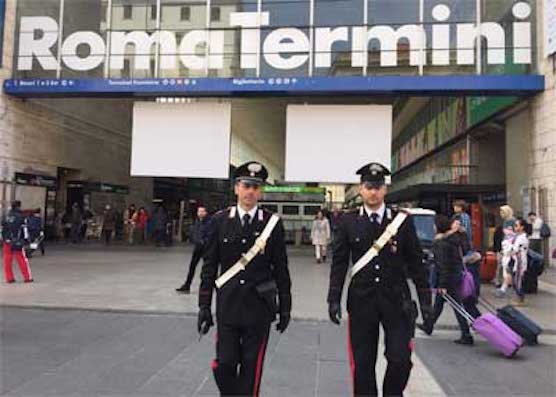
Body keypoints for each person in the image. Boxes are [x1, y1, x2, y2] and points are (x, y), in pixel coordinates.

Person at [327, 162, 432, 396]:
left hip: (397, 300)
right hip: (362, 301)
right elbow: (340, 263)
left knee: (400, 358)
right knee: (363, 363)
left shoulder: (401, 220)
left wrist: (425, 300)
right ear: (360, 190)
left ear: (385, 190)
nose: (373, 192)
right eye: (368, 187)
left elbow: (416, 261)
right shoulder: (347, 221)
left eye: (378, 187)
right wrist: (333, 298)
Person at [197, 161, 292, 396]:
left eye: (255, 187)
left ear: (261, 192)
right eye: (246, 185)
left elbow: (281, 267)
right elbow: (209, 267)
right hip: (228, 307)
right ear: (236, 188)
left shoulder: (272, 224)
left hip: (259, 308)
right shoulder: (219, 221)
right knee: (224, 364)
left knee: (252, 370)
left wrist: (285, 307)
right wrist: (204, 306)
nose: (250, 191)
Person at [419, 215, 474, 345]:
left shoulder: (441, 243)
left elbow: (443, 265)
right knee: (438, 304)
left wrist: (442, 284)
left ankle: (466, 334)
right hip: (454, 275)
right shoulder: (452, 240)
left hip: (448, 280)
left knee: (457, 306)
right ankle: (429, 326)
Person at [176, 206, 211, 294]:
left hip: (206, 248)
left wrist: (204, 241)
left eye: (202, 211)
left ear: (206, 212)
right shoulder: (197, 222)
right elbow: (196, 232)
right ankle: (187, 285)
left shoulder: (210, 222)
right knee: (192, 266)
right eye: (199, 211)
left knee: (208, 268)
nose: (200, 213)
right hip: (198, 247)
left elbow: (210, 234)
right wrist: (194, 239)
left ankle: (209, 286)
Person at [1, 201, 33, 283]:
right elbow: (24, 229)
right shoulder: (21, 216)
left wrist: (4, 238)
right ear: (19, 206)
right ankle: (27, 277)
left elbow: (2, 228)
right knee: (21, 258)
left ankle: (9, 278)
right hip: (17, 241)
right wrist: (26, 240)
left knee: (7, 259)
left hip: (7, 240)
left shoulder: (6, 216)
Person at [510, 218, 529, 306]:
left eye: (517, 225)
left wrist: (510, 251)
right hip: (517, 260)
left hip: (520, 261)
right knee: (515, 279)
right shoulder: (518, 236)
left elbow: (516, 249)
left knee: (518, 280)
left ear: (522, 227)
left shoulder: (522, 238)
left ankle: (521, 299)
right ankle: (519, 298)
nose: (515, 227)